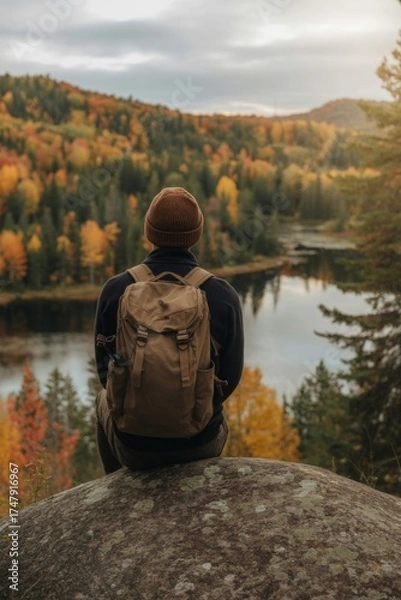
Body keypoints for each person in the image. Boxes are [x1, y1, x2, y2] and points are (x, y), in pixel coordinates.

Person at [94, 186, 244, 473]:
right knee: (220, 418)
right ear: (196, 234)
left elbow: (105, 373)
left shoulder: (116, 289)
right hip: (200, 443)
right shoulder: (221, 294)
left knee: (101, 400)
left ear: (150, 231)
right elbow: (230, 377)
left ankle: (113, 490)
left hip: (133, 447)